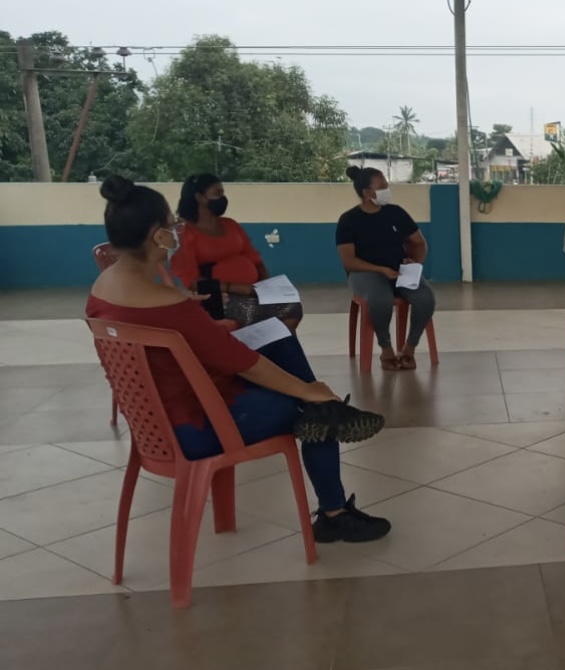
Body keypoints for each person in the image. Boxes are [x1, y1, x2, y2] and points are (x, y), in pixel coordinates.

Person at [86, 176, 392, 543]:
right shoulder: (170, 305)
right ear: (157, 236)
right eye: (171, 226)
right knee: (315, 411)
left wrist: (207, 327)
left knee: (279, 338)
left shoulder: (102, 292)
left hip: (156, 423)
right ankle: (334, 509)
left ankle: (325, 415)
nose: (176, 232)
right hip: (199, 424)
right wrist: (307, 391)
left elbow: (175, 343)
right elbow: (243, 363)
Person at [170, 174, 304, 330]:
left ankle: (276, 343)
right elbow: (192, 282)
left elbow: (255, 259)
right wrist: (237, 288)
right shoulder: (185, 233)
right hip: (220, 297)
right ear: (200, 197)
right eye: (217, 193)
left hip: (253, 291)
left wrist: (265, 285)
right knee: (260, 313)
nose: (223, 198)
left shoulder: (230, 224)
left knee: (293, 307)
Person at [337, 166, 436, 371]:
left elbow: (419, 243)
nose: (387, 191)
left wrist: (415, 262)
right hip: (365, 273)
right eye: (382, 187)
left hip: (399, 272)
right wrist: (380, 270)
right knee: (380, 299)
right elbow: (349, 261)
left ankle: (409, 348)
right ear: (367, 192)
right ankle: (386, 349)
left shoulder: (396, 213)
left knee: (425, 298)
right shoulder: (348, 220)